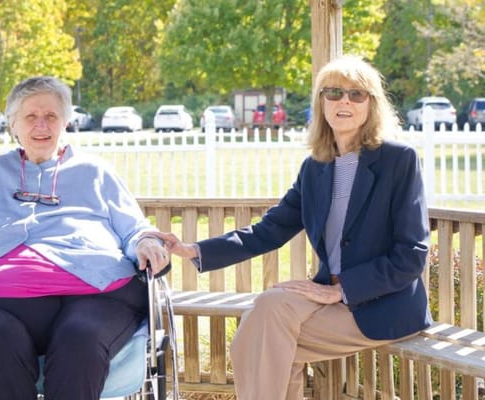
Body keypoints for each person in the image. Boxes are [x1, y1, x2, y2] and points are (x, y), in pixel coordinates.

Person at [148, 55, 432, 399]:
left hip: (383, 305)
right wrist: (193, 250)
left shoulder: (398, 160)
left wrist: (341, 290)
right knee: (268, 322)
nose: (344, 101)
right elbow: (270, 230)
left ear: (371, 104)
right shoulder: (315, 169)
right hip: (329, 299)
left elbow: (411, 256)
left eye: (357, 94)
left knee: (262, 339)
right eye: (334, 93)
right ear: (321, 103)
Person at [0, 76, 170, 400]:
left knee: (79, 337)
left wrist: (146, 241)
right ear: (12, 124)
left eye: (51, 116)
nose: (42, 125)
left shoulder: (96, 173)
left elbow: (133, 227)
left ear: (65, 121)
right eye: (30, 116)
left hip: (95, 294)